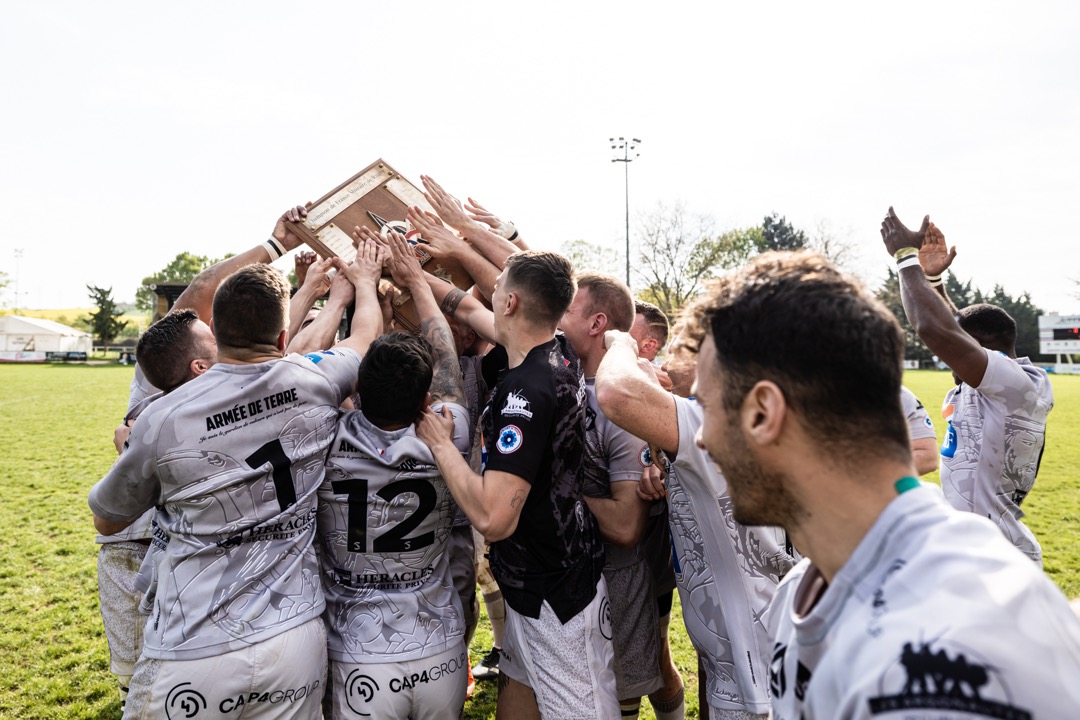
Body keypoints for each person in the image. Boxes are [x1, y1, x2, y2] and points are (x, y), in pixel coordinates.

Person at [689, 249, 1080, 717]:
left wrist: (909, 258)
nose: (701, 437)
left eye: (705, 407)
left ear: (763, 413)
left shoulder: (946, 663)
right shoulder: (799, 591)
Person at [89, 241, 385, 719]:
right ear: (285, 333)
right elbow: (365, 337)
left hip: (195, 639)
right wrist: (364, 285)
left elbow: (107, 521)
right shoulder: (316, 379)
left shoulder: (162, 417)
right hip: (294, 634)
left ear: (217, 332)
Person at [96, 210, 312, 709]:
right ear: (196, 363)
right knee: (146, 682)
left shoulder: (234, 384)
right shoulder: (162, 372)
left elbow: (271, 347)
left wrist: (307, 287)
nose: (224, 343)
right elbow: (205, 289)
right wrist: (273, 246)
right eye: (213, 339)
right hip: (140, 547)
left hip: (200, 557)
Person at [415, 251, 618, 720]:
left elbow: (494, 518)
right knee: (518, 698)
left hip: (554, 591)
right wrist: (410, 270)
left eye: (498, 287)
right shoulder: (558, 350)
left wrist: (441, 446)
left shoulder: (526, 389)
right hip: (541, 576)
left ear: (510, 303)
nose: (488, 293)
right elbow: (465, 310)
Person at [596, 325, 795, 720]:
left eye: (679, 349)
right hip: (752, 655)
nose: (664, 358)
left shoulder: (716, 427)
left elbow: (616, 392)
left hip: (754, 675)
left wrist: (621, 344)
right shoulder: (751, 419)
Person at [318, 231, 472, 718]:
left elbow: (308, 370)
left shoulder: (323, 436)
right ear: (426, 400)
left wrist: (356, 288)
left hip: (359, 653)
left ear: (356, 387)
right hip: (439, 649)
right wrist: (415, 282)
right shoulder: (450, 433)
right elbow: (445, 359)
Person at [882, 209, 1053, 564]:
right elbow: (957, 330)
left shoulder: (1016, 385)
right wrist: (934, 282)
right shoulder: (1002, 382)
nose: (950, 358)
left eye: (960, 348)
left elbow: (936, 330)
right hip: (974, 548)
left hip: (994, 557)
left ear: (983, 348)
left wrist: (905, 257)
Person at [558, 272, 663, 720]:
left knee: (619, 705)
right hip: (561, 582)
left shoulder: (621, 404)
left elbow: (625, 526)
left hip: (615, 583)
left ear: (597, 323)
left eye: (565, 311)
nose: (555, 320)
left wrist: (558, 487)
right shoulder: (557, 383)